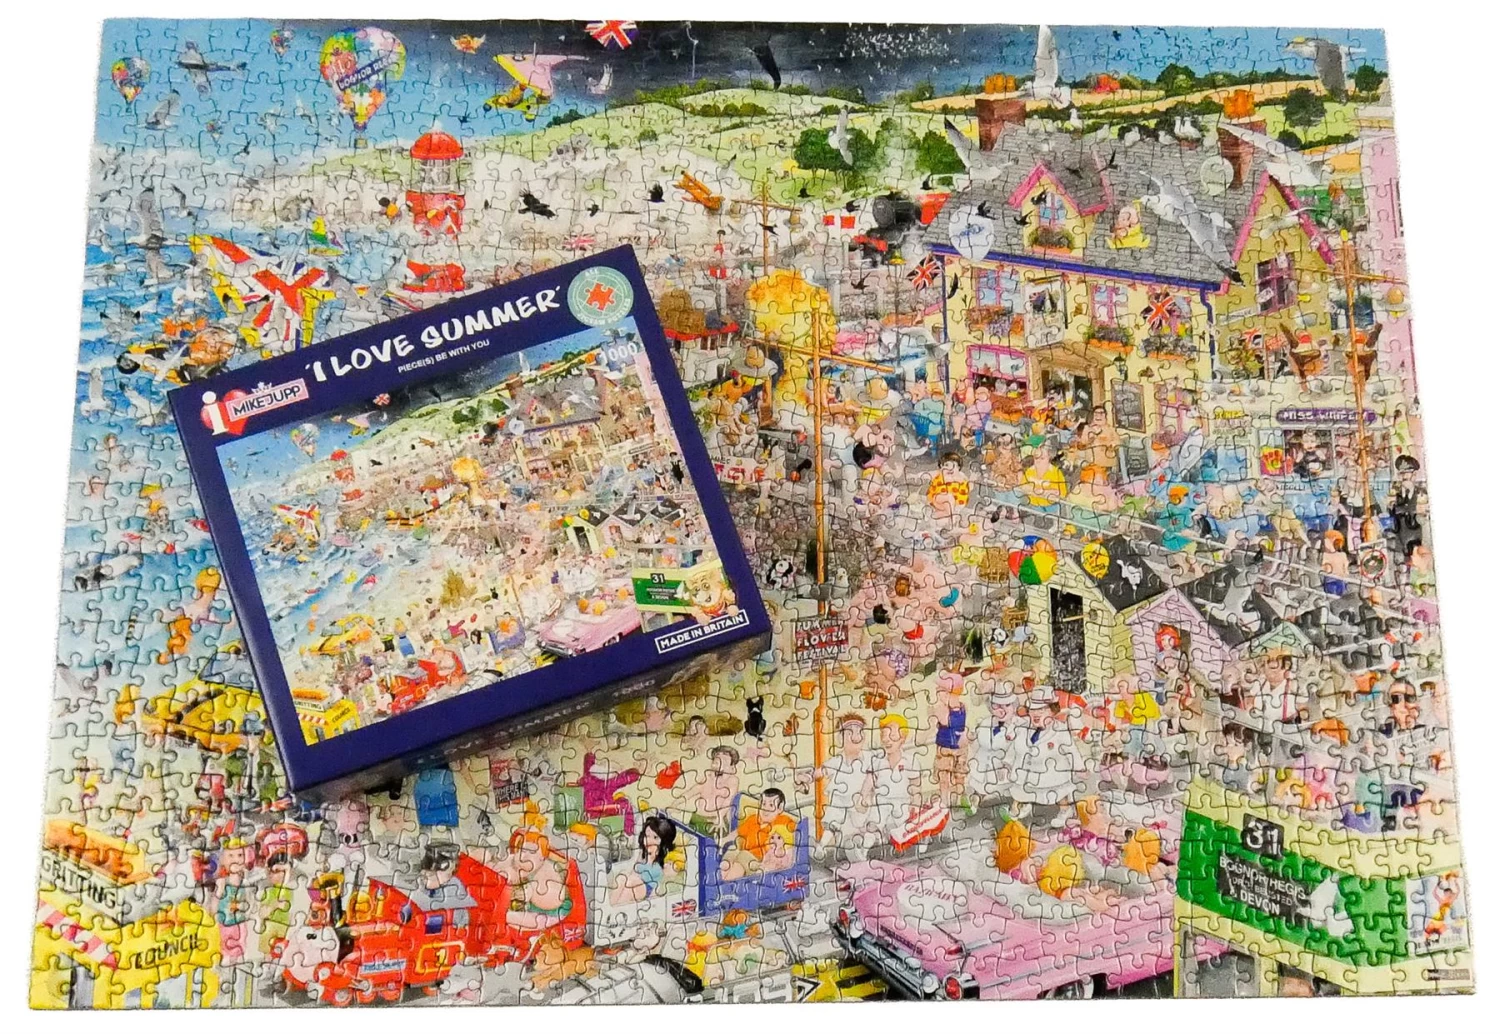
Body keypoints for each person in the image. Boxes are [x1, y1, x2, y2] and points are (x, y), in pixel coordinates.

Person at [610, 815, 677, 904]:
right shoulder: (643, 853)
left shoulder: (664, 859)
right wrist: (628, 876)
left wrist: (671, 868)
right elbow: (635, 869)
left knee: (630, 883)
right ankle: (612, 906)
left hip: (648, 888)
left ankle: (618, 909)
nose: (649, 840)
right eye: (647, 836)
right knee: (622, 877)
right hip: (636, 882)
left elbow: (671, 875)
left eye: (655, 837)